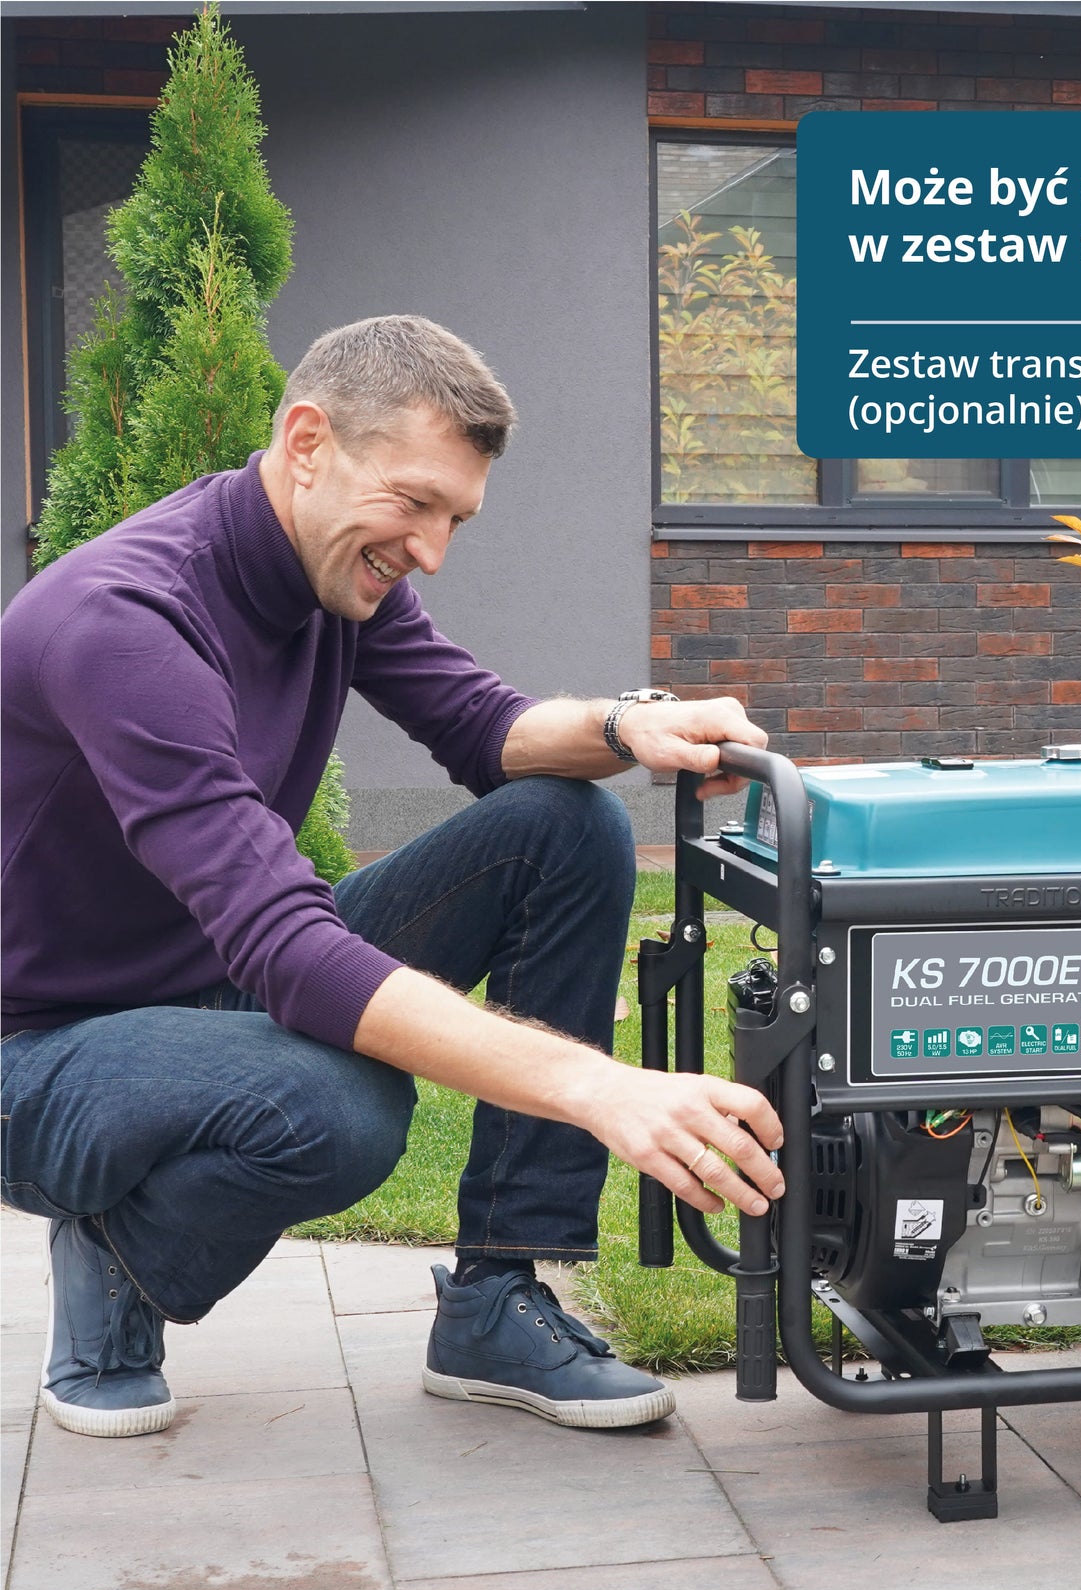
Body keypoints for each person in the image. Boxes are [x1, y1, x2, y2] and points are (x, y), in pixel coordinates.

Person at [0, 314, 784, 1440]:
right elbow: (288, 948)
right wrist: (602, 1087)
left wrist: (628, 725)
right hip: (39, 1047)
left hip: (204, 982)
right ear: (306, 442)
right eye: (415, 503)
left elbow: (485, 727)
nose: (431, 550)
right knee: (337, 1111)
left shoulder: (326, 575)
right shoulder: (126, 623)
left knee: (564, 824)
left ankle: (497, 1298)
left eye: (454, 518)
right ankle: (120, 1248)